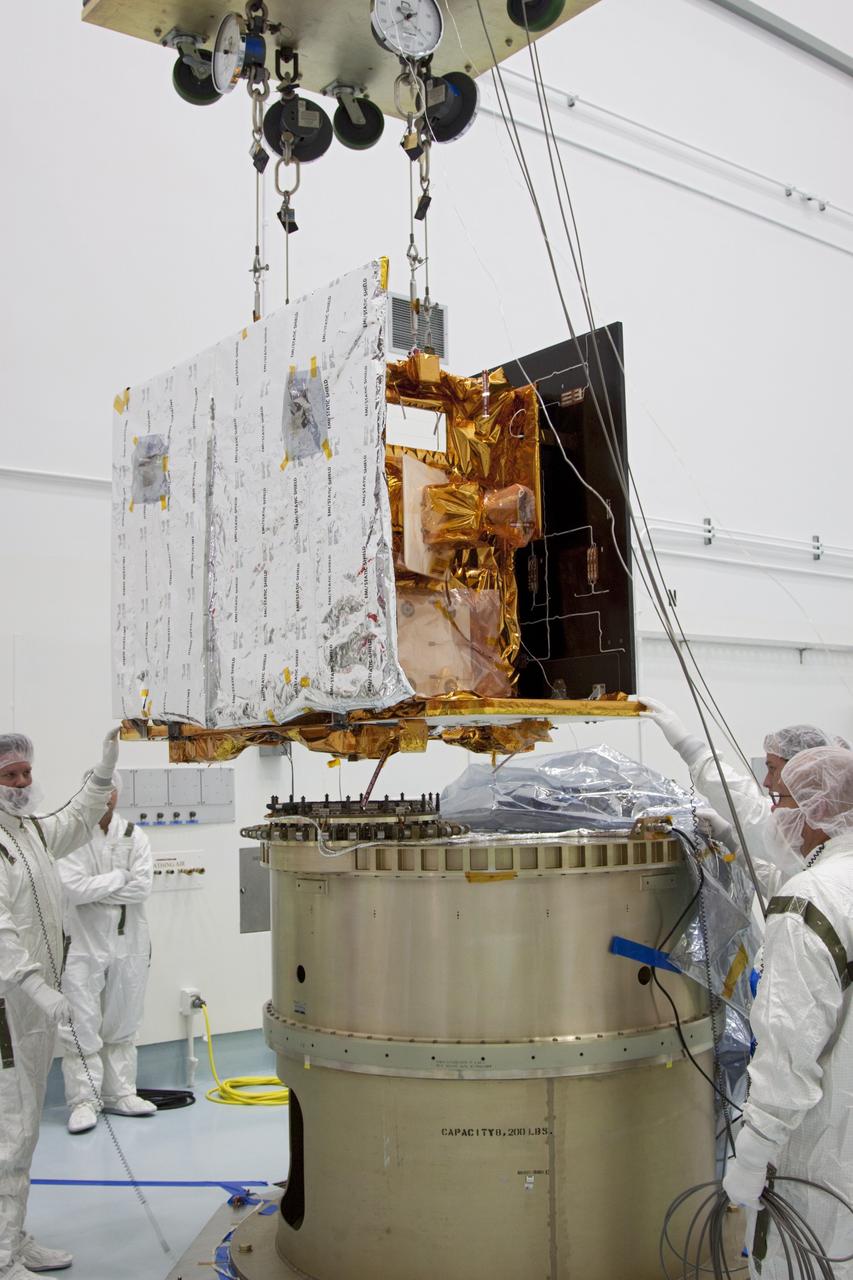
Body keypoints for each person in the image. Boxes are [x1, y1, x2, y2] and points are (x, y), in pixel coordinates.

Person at [722, 746, 853, 1278]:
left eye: (780, 800)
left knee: (812, 1258)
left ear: (819, 814)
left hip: (826, 1152)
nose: (774, 814)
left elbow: (788, 1054)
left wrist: (752, 1158)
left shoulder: (812, 898)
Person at [0, 729, 119, 1280]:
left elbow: (74, 820)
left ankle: (14, 1238)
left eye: (25, 773)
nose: (22, 784)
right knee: (10, 1130)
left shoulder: (28, 832)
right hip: (8, 1007)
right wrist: (39, 988)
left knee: (23, 1131)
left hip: (32, 1009)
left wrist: (104, 768)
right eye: (10, 776)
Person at [640, 701, 840, 890]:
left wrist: (687, 746)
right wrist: (732, 839)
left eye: (772, 768)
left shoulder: (829, 845)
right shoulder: (816, 842)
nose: (766, 782)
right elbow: (779, 886)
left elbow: (749, 809)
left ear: (803, 771)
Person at [58, 777, 155, 1134]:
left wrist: (100, 889)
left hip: (129, 945)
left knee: (124, 1020)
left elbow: (142, 887)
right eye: (97, 792)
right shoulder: (71, 839)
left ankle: (121, 1094)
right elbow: (74, 889)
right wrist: (120, 877)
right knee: (81, 1025)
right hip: (82, 946)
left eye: (109, 791)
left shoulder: (135, 835)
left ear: (116, 795)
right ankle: (83, 1101)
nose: (105, 798)